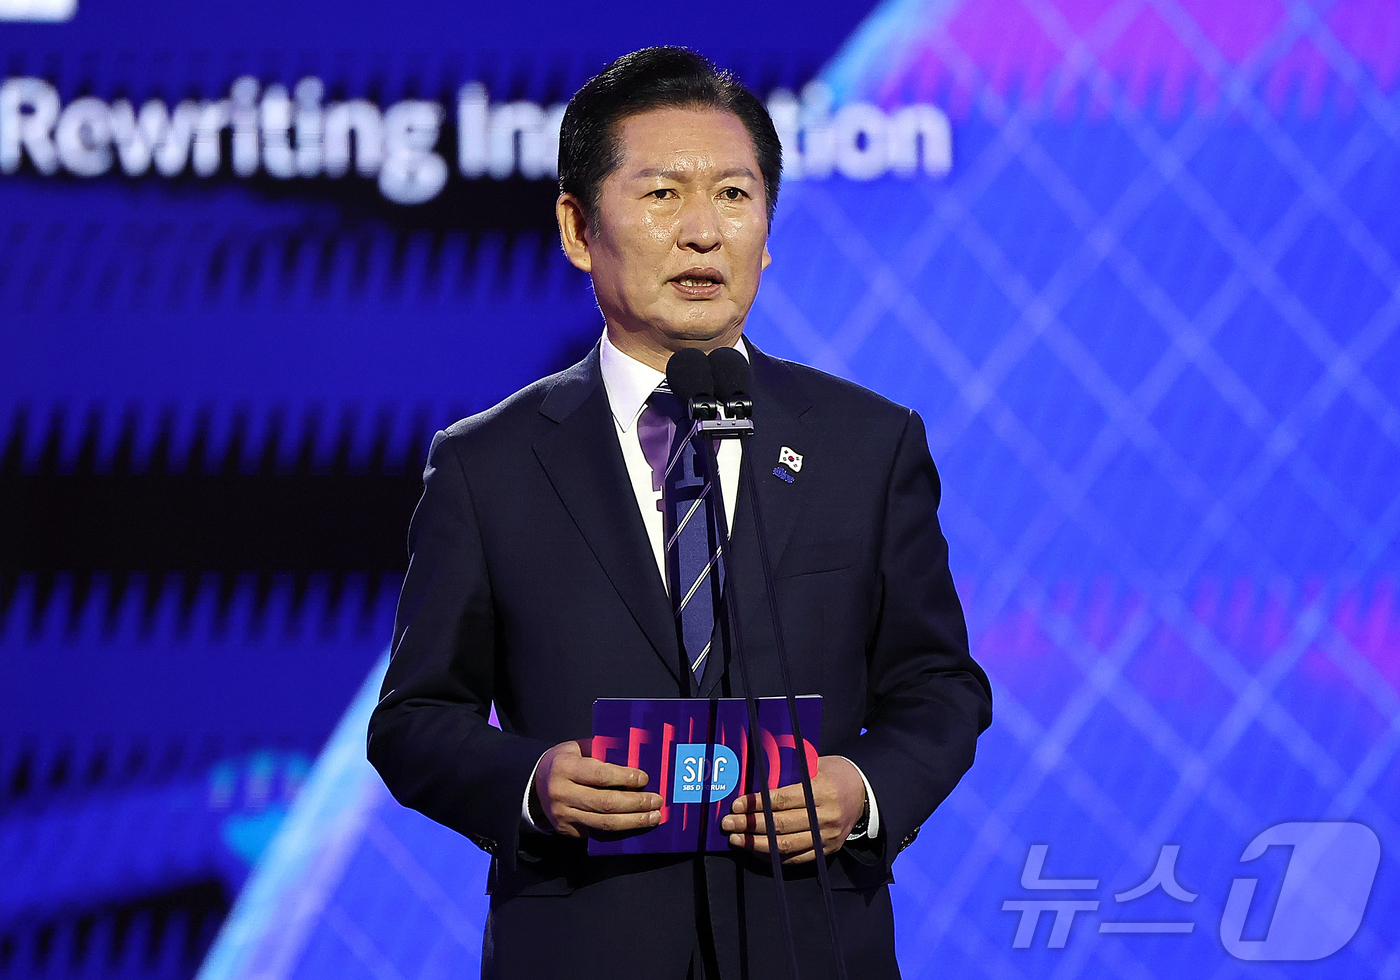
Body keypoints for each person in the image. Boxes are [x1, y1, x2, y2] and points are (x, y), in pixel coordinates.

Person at [367, 46, 992, 980]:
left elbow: (940, 686)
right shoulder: (486, 464)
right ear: (578, 228)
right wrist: (532, 785)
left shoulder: (868, 443)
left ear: (767, 231)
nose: (704, 232)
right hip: (584, 946)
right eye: (663, 194)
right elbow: (414, 719)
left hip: (808, 941)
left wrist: (862, 790)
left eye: (735, 196)